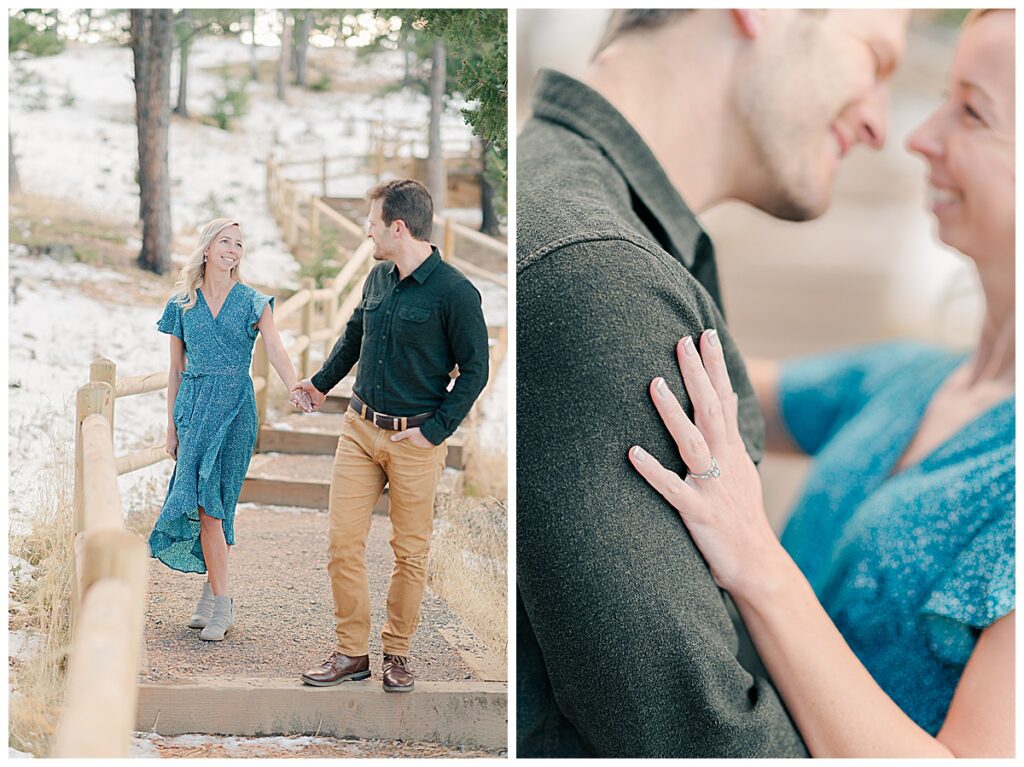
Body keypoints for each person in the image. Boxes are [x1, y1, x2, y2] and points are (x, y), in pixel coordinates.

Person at [517, 8, 909, 757]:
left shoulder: (605, 239)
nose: (882, 126)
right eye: (876, 60)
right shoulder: (598, 274)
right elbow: (709, 741)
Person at [629, 9, 1014, 757]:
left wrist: (755, 560)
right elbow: (681, 376)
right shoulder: (900, 376)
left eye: (971, 110)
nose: (919, 137)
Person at [292, 179, 489, 692]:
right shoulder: (377, 279)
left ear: (398, 228)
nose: (368, 232)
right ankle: (351, 652)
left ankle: (397, 653)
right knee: (342, 544)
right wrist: (318, 386)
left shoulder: (456, 293)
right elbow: (354, 337)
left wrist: (437, 432)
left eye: (374, 223)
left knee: (410, 553)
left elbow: (476, 370)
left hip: (415, 442)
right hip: (359, 430)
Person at [151, 218, 305, 641]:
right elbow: (174, 372)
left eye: (239, 244)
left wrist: (294, 384)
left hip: (236, 411)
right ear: (207, 249)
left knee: (214, 507)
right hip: (194, 410)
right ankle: (212, 597)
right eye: (226, 241)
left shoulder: (254, 303)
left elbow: (274, 347)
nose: (234, 249)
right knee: (205, 505)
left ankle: (222, 605)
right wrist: (171, 426)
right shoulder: (181, 304)